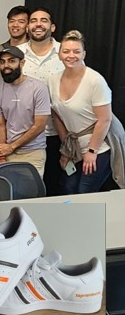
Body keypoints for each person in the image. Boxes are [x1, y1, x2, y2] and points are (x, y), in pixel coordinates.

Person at [50, 31, 117, 194]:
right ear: (59, 55)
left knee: (84, 191)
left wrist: (92, 152)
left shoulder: (95, 81)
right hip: (74, 147)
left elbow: (105, 119)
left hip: (99, 147)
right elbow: (56, 115)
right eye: (66, 51)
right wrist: (67, 149)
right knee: (68, 188)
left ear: (84, 54)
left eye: (76, 51)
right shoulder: (52, 80)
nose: (71, 55)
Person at [18, 8, 65, 195]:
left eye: (43, 20)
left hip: (57, 133)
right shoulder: (15, 54)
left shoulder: (66, 52)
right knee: (26, 189)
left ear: (52, 27)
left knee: (54, 187)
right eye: (34, 20)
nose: (38, 24)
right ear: (28, 27)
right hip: (23, 135)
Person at [0, 46, 52, 176]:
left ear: (22, 63)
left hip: (32, 152)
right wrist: (2, 156)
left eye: (11, 61)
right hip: (6, 152)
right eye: (2, 62)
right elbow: (0, 124)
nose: (6, 65)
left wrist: (12, 146)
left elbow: (39, 125)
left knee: (26, 193)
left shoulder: (38, 89)